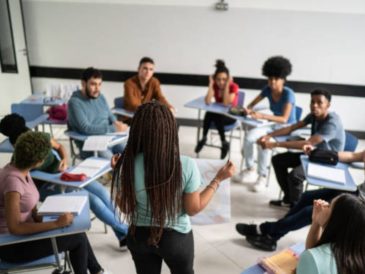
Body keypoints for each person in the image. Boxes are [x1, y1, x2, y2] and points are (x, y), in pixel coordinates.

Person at [111, 101, 235, 274]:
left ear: (137, 130)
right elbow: (193, 209)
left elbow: (126, 208)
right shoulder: (186, 165)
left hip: (139, 237)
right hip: (175, 240)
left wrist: (116, 174)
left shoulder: (126, 165)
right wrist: (218, 179)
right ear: (169, 130)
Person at [0, 113, 128, 249]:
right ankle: (128, 233)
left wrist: (64, 160)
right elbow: (26, 187)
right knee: (92, 200)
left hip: (64, 173)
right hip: (47, 185)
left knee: (102, 192)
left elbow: (60, 147)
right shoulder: (19, 162)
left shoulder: (40, 139)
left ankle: (123, 235)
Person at [0, 131, 108, 274]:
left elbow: (27, 205)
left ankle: (96, 271)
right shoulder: (12, 181)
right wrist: (56, 224)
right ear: (38, 161)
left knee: (76, 229)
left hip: (24, 235)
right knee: (78, 238)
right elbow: (15, 227)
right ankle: (96, 271)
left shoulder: (21, 169)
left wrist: (41, 216)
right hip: (12, 245)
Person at [235, 149, 365, 251]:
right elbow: (353, 156)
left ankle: (264, 229)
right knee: (307, 196)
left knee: (312, 210)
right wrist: (318, 152)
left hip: (360, 206)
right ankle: (272, 236)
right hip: (354, 192)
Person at [259, 88, 344, 206]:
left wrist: (274, 144)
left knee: (295, 176)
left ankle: (296, 209)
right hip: (314, 153)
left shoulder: (332, 122)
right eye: (312, 102)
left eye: (319, 102)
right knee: (277, 160)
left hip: (328, 160)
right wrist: (269, 135)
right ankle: (289, 199)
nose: (315, 105)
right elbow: (291, 128)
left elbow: (308, 143)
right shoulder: (313, 115)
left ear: (328, 105)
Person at [233, 56, 297, 192]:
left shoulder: (288, 94)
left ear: (283, 79)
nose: (272, 82)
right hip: (272, 124)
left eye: (276, 78)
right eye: (270, 78)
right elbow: (252, 104)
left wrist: (261, 115)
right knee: (249, 137)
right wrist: (248, 109)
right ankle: (250, 168)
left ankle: (262, 176)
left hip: (287, 128)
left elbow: (285, 119)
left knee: (264, 143)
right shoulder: (267, 89)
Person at [68, 67, 128, 159]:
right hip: (90, 145)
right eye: (93, 84)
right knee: (115, 165)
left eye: (99, 84)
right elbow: (86, 128)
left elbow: (109, 115)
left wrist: (116, 122)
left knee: (133, 154)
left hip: (109, 139)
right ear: (83, 84)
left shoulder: (100, 97)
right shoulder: (75, 102)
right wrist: (113, 128)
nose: (97, 88)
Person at [297, 194, 365, 274]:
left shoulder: (312, 258)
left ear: (336, 221)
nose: (324, 206)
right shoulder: (356, 254)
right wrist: (316, 222)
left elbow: (313, 259)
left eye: (329, 206)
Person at [194, 60, 239, 159]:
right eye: (218, 79)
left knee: (215, 115)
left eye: (224, 79)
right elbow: (208, 101)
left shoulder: (233, 87)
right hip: (219, 117)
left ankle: (218, 141)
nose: (221, 82)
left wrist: (227, 86)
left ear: (228, 79)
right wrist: (211, 84)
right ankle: (216, 140)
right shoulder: (215, 85)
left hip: (231, 116)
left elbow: (226, 103)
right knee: (210, 113)